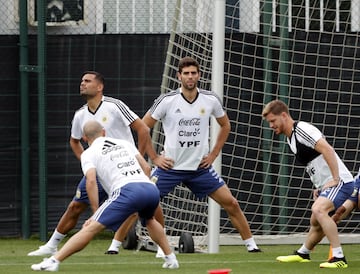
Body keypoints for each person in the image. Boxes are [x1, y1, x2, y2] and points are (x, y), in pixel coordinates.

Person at [142, 56, 261, 254]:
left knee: (231, 202)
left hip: (199, 169)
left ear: (199, 75)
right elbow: (143, 127)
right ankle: (162, 246)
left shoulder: (210, 99)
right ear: (178, 75)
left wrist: (213, 154)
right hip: (170, 167)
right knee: (148, 200)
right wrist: (155, 158)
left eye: (193, 73)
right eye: (186, 73)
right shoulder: (167, 100)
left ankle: (251, 245)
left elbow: (225, 125)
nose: (190, 77)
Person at [30, 120, 179, 271]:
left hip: (127, 190)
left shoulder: (88, 153)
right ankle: (171, 258)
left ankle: (54, 261)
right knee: (150, 220)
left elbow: (91, 181)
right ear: (104, 132)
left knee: (91, 228)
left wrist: (95, 212)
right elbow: (146, 167)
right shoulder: (124, 143)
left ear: (85, 138)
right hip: (150, 188)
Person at [28, 71, 147, 256]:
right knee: (75, 206)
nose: (82, 83)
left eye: (87, 81)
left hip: (124, 170)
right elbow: (74, 141)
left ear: (99, 87)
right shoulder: (80, 115)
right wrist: (88, 162)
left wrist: (138, 157)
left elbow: (142, 128)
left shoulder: (115, 106)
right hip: (100, 172)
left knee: (140, 207)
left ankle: (121, 247)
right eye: (82, 80)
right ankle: (51, 245)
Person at [262, 99, 354, 269]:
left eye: (273, 121)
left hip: (341, 182)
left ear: (284, 115)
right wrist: (319, 187)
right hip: (328, 184)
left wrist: (335, 179)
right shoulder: (291, 138)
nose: (271, 126)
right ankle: (303, 253)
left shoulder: (302, 129)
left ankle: (339, 257)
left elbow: (327, 149)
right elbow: (315, 164)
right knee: (316, 221)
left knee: (319, 210)